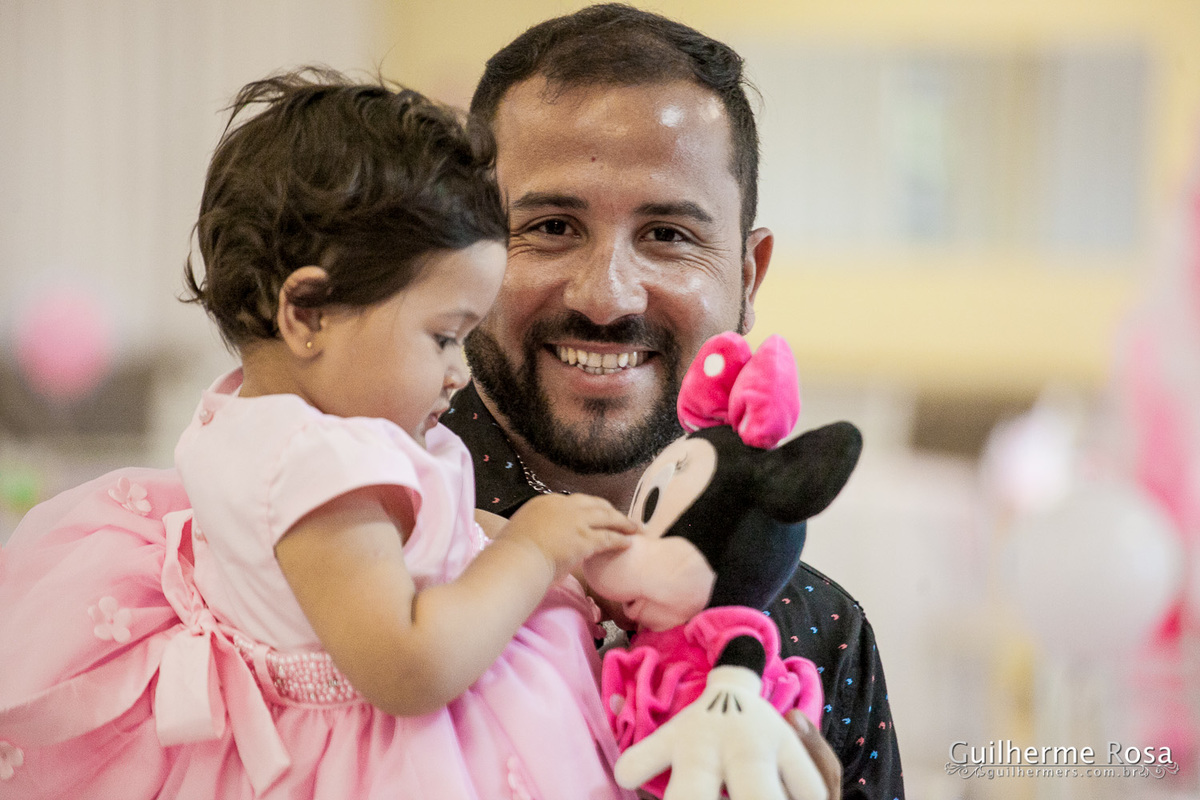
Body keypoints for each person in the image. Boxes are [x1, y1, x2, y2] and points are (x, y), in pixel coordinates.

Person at [0, 69, 641, 799]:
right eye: (442, 337)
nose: (459, 371)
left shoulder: (262, 421)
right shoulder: (322, 467)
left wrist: (489, 536)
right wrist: (531, 548)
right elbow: (410, 667)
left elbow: (409, 544)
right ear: (306, 312)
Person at [440, 5, 905, 800]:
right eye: (551, 227)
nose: (605, 296)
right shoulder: (357, 542)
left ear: (749, 278)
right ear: (465, 250)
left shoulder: (822, 635)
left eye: (667, 235)